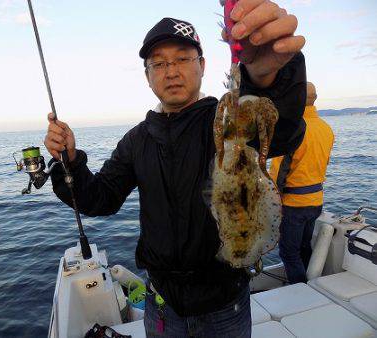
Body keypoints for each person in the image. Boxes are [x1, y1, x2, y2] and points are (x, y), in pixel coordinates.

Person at [45, 1, 307, 336]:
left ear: (202, 65)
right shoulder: (137, 140)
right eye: (159, 63)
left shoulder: (227, 121)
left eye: (183, 59)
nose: (171, 71)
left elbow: (280, 129)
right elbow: (100, 198)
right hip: (163, 307)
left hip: (226, 305)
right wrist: (69, 161)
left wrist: (269, 75)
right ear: (148, 76)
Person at [270, 82, 334, 284]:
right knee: (305, 246)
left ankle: (300, 290)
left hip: (293, 204)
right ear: (315, 99)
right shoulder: (326, 128)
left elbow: (278, 173)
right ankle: (310, 287)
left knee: (289, 253)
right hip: (316, 200)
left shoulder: (292, 129)